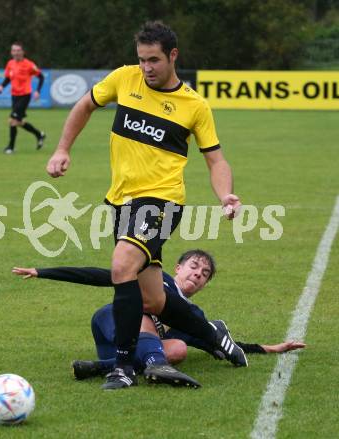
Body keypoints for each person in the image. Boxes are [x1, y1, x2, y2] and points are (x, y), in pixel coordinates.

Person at [46, 21, 244, 390]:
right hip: (122, 201)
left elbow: (216, 159)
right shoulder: (125, 79)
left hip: (162, 201)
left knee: (122, 265)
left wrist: (225, 195)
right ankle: (214, 334)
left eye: (154, 60)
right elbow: (85, 105)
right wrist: (62, 148)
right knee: (153, 299)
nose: (146, 68)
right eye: (141, 59)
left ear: (173, 56)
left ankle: (121, 367)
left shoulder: (194, 105)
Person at [12, 250, 305, 388]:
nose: (197, 275)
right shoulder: (156, 278)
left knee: (178, 348)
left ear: (205, 285)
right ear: (178, 268)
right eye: (193, 267)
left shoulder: (191, 316)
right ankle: (155, 367)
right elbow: (102, 275)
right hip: (110, 323)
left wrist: (272, 348)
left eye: (204, 275)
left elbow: (219, 341)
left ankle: (104, 368)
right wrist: (43, 271)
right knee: (144, 309)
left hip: (126, 352)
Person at [0, 41, 46, 154]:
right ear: (11, 52)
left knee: (12, 120)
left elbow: (41, 77)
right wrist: (1, 86)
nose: (16, 53)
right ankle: (39, 134)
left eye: (18, 50)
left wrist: (38, 91)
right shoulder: (10, 64)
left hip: (25, 95)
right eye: (14, 50)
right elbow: (8, 78)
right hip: (14, 96)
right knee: (18, 122)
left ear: (23, 52)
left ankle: (11, 147)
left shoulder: (29, 64)